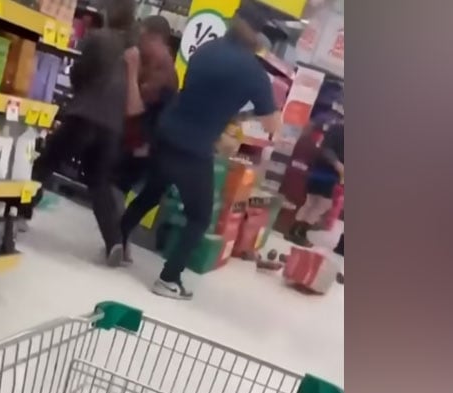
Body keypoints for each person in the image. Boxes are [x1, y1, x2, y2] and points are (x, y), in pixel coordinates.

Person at [120, 0, 281, 300]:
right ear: (258, 36)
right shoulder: (253, 72)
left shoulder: (207, 49)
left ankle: (116, 240)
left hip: (166, 132)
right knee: (199, 216)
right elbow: (272, 124)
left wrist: (229, 114)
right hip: (193, 149)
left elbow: (203, 96)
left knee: (152, 192)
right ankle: (169, 279)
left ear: (234, 19)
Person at [29, 0, 137, 266]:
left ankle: (18, 210)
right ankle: (114, 242)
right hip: (112, 125)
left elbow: (78, 73)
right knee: (98, 182)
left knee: (46, 162)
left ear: (110, 12)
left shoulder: (98, 39)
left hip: (85, 115)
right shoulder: (133, 49)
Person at [116, 15, 179, 194]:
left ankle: (113, 222)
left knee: (112, 189)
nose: (139, 43)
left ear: (155, 38)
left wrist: (132, 70)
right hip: (136, 142)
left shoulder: (163, 72)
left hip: (139, 146)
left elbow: (135, 110)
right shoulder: (155, 64)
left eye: (142, 38)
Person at [286, 123, 344, 247]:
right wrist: (337, 164)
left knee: (312, 202)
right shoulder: (338, 129)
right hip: (325, 171)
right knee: (320, 203)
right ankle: (300, 232)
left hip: (326, 171)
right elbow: (326, 149)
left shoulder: (337, 128)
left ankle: (294, 231)